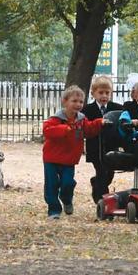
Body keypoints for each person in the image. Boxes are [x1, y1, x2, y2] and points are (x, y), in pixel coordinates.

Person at [43, 85, 106, 218]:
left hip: (69, 159)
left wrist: (99, 122)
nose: (78, 104)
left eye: (81, 102)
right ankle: (54, 210)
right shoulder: (55, 118)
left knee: (68, 183)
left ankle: (66, 199)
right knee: (51, 185)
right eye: (74, 101)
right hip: (52, 158)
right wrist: (63, 129)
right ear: (65, 101)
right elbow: (47, 131)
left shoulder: (81, 120)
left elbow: (89, 130)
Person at [81, 75, 123, 203]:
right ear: (93, 93)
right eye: (100, 92)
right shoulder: (87, 109)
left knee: (109, 174)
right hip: (95, 147)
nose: (104, 96)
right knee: (101, 172)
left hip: (111, 147)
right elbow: (83, 128)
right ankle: (102, 201)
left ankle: (96, 183)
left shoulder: (117, 108)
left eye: (107, 93)